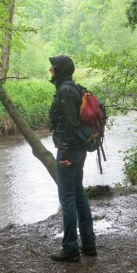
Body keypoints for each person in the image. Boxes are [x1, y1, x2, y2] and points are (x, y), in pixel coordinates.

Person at [47, 55, 97, 262]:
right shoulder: (73, 88)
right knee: (78, 194)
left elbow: (70, 124)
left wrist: (65, 154)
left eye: (52, 67)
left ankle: (70, 248)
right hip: (78, 149)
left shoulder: (65, 90)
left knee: (67, 197)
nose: (50, 70)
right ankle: (89, 244)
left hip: (69, 151)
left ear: (59, 69)